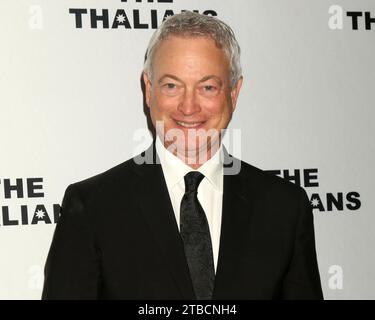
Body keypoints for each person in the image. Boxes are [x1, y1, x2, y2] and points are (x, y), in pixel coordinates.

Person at [42, 11, 323, 300]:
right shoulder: (93, 208)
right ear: (149, 90)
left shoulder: (285, 208)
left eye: (208, 87)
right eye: (172, 85)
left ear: (235, 92)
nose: (188, 107)